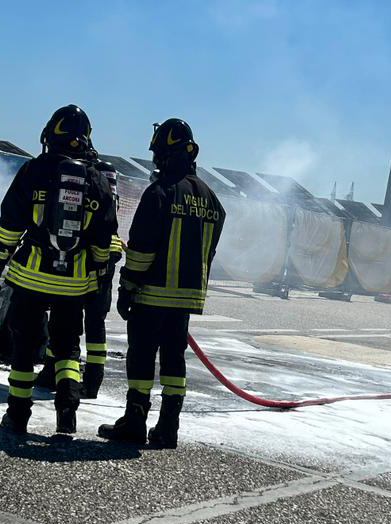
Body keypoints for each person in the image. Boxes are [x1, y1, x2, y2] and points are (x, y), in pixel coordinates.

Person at [0, 104, 117, 435]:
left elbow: (11, 225)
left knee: (23, 347)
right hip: (73, 284)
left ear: (50, 135)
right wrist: (98, 274)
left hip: (30, 276)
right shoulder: (96, 180)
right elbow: (104, 238)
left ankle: (17, 414)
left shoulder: (33, 171)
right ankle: (67, 414)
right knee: (68, 348)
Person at [98, 118, 224, 448]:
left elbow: (141, 249)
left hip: (151, 294)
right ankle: (169, 427)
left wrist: (127, 288)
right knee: (173, 360)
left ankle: (134, 422)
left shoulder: (160, 192)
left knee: (141, 357)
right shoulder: (211, 198)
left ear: (165, 155)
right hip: (186, 298)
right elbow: (209, 248)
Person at [34, 154, 122, 399]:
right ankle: (93, 379)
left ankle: (52, 373)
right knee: (95, 323)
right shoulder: (104, 191)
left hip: (86, 264)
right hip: (106, 261)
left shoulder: (85, 185)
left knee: (63, 321)